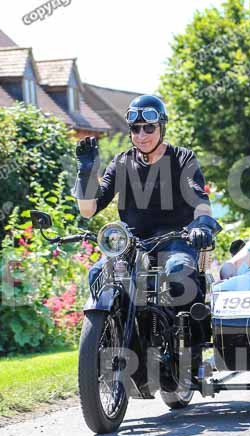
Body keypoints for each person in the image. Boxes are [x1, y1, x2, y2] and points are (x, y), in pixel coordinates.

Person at [72, 94, 217, 305]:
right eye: (135, 128)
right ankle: (116, 332)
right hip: (132, 243)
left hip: (176, 240)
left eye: (149, 128)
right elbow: (88, 210)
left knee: (179, 273)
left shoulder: (182, 158)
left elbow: (199, 201)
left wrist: (202, 226)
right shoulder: (121, 162)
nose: (141, 135)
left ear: (162, 127)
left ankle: (189, 335)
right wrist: (85, 174)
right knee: (98, 275)